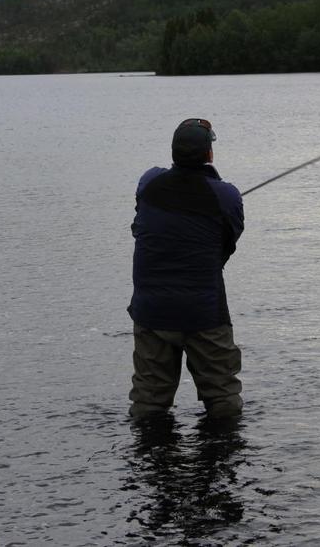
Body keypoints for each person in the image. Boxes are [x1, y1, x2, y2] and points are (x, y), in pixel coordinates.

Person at [128, 118, 245, 419]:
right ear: (209, 155)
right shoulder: (227, 195)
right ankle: (222, 461)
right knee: (223, 402)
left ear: (173, 152)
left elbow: (141, 216)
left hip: (152, 312)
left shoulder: (149, 182)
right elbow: (227, 245)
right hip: (204, 313)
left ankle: (150, 462)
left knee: (149, 404)